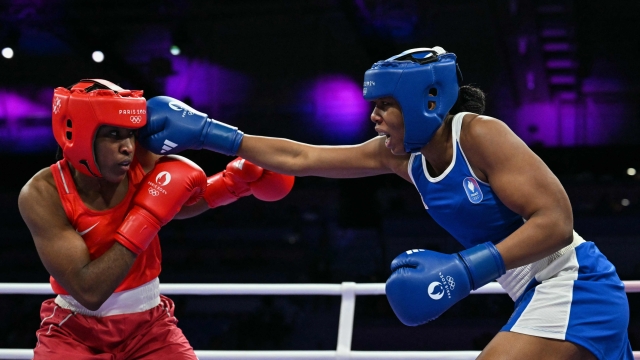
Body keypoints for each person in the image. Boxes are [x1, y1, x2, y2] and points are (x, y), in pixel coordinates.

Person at [137, 46, 633, 359]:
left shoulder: (481, 135)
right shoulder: (401, 157)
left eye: (384, 106)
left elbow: (554, 221)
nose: (373, 117)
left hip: (574, 285)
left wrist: (464, 268)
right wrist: (211, 134)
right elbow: (301, 156)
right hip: (534, 292)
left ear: (429, 102)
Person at [17, 79, 294, 359]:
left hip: (150, 328)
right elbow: (90, 291)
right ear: (75, 134)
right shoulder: (43, 194)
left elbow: (172, 202)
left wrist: (231, 185)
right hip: (75, 332)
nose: (127, 147)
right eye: (113, 134)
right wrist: (145, 218)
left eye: (131, 134)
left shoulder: (140, 158)